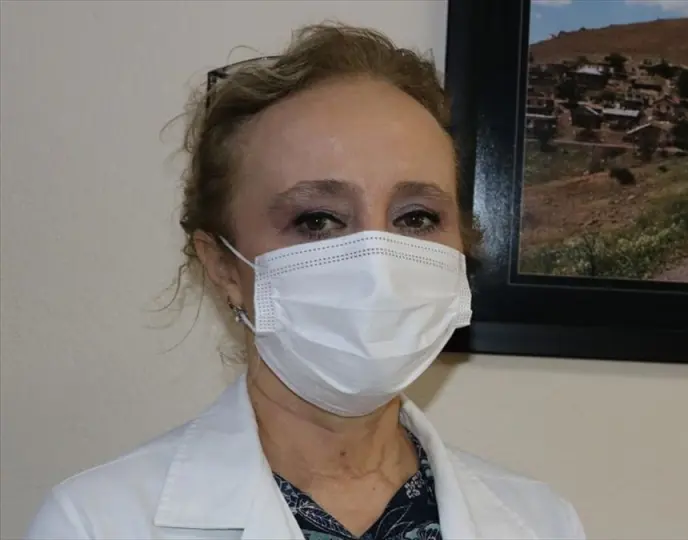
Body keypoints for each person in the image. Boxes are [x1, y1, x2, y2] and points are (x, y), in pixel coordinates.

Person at [26, 23, 586, 540]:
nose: (377, 264)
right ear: (223, 267)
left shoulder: (541, 523)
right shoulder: (96, 523)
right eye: (317, 220)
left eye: (416, 217)